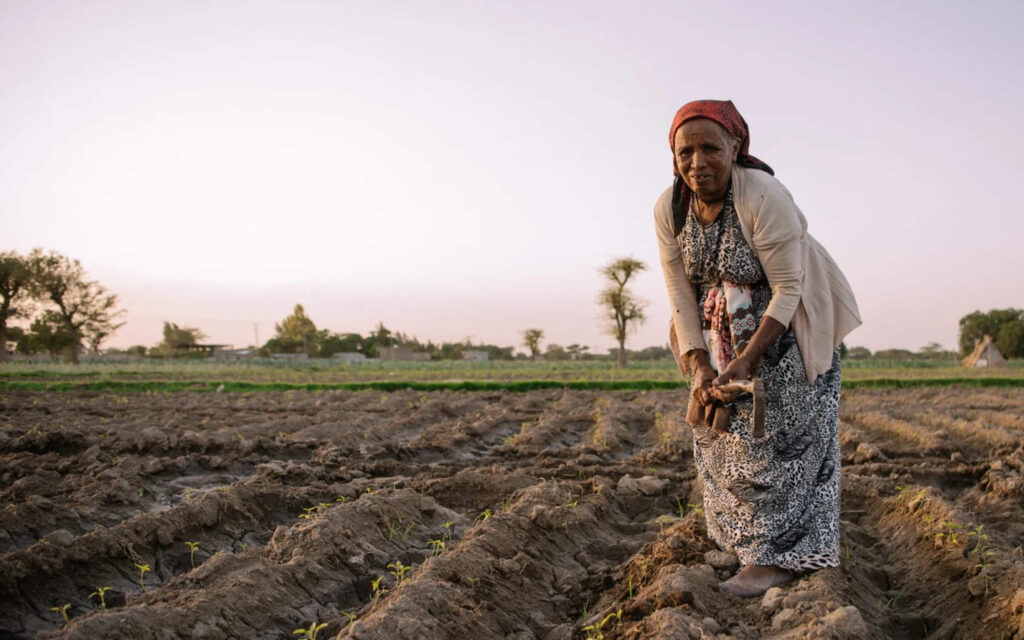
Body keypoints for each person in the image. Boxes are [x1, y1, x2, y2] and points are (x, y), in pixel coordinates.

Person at [654, 100, 861, 597]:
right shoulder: (671, 207)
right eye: (687, 151)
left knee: (778, 443)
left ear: (735, 149)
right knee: (721, 439)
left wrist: (749, 360)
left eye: (710, 148)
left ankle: (775, 560)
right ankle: (745, 543)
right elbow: (679, 291)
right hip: (715, 333)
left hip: (785, 328)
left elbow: (790, 287)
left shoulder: (763, 195)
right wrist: (699, 364)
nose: (697, 162)